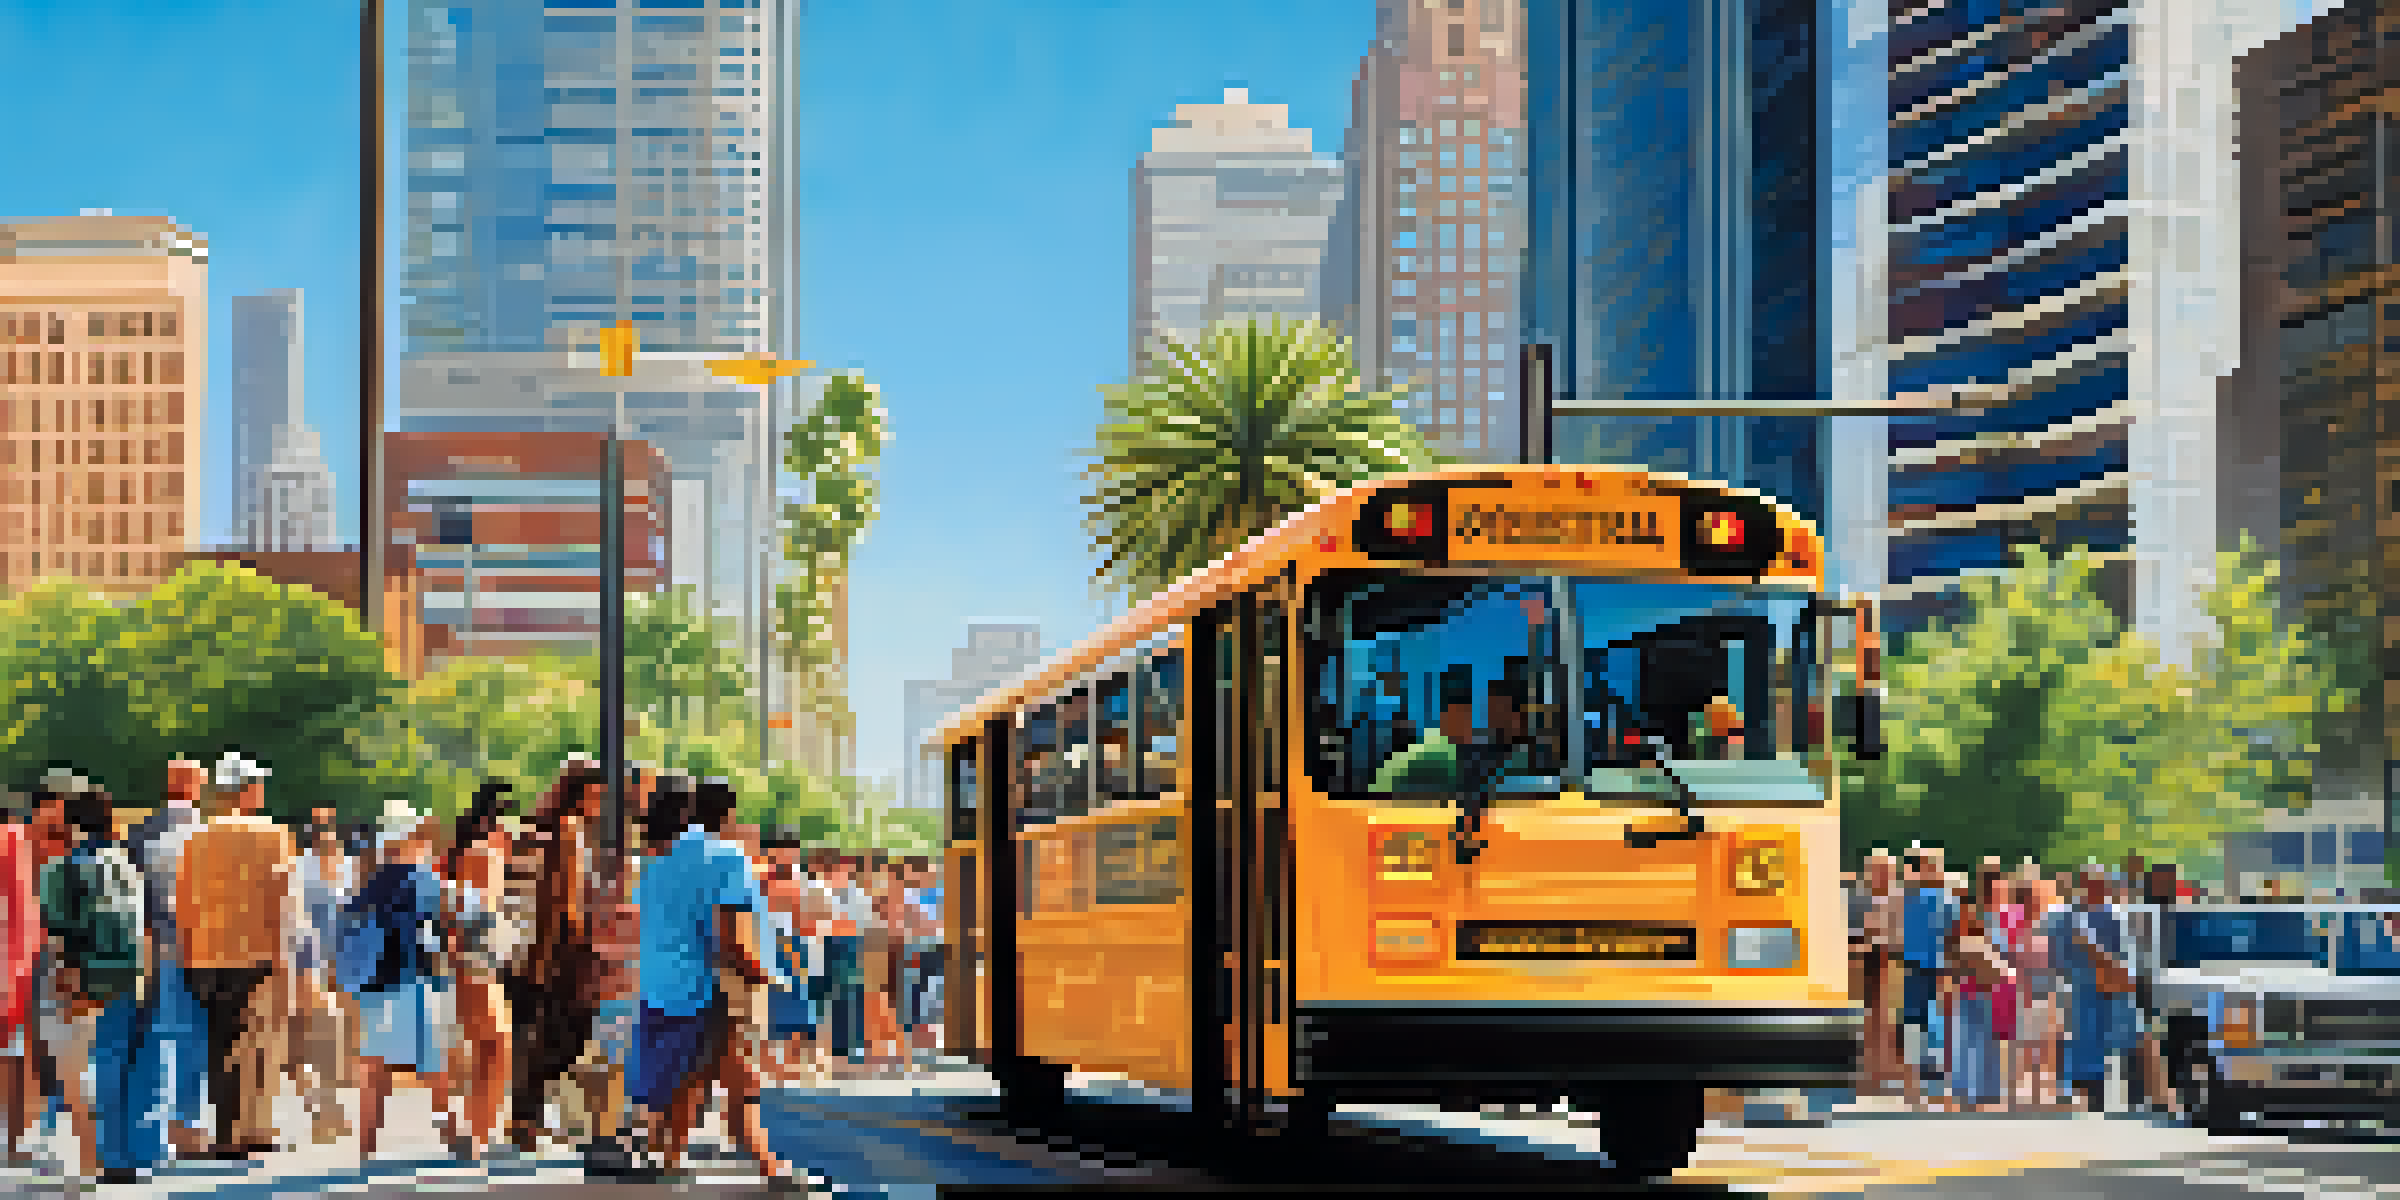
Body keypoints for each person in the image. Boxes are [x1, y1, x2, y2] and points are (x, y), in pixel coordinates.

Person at [635, 779, 793, 1184]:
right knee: (741, 1077)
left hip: (660, 985)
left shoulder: (658, 860)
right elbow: (731, 937)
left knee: (690, 1073)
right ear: (728, 815)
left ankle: (668, 1156)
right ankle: (769, 1165)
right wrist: (768, 976)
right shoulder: (727, 858)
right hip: (717, 986)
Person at [36, 772, 158, 1182]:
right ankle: (129, 1156)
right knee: (128, 1065)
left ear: (71, 822)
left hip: (88, 976)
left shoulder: (62, 868)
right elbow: (141, 923)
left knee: (95, 1068)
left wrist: (68, 982)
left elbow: (58, 931)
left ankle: (104, 1158)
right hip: (132, 971)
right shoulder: (125, 863)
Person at [176, 752, 298, 1159]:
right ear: (246, 790)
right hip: (258, 952)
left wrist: (185, 954)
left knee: (220, 1044)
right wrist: (285, 951)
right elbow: (282, 896)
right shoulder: (272, 834)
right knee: (260, 1043)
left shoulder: (195, 835)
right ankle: (252, 1130)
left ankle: (229, 1131)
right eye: (257, 784)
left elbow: (184, 902)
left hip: (204, 954)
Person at [504, 757, 606, 1154]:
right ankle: (527, 1124)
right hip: (556, 954)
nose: (605, 799)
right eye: (600, 791)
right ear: (583, 792)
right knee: (566, 1038)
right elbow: (567, 902)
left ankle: (524, 1124)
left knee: (537, 1039)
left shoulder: (536, 831)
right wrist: (582, 947)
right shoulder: (570, 831)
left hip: (524, 955)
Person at [350, 809, 449, 1161]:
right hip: (414, 980)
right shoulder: (424, 880)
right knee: (433, 1061)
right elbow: (443, 928)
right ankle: (451, 1132)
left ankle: (366, 1147)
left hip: (372, 985)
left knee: (373, 1067)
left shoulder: (368, 881)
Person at [126, 760, 213, 1159]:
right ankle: (187, 1126)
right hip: (201, 944)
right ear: (199, 787)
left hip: (156, 941)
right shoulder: (210, 833)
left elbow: (133, 891)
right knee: (194, 1034)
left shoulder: (141, 832)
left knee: (158, 1033)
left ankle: (157, 1129)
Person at [441, 782, 516, 1160]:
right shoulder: (485, 852)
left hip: (470, 954)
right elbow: (477, 908)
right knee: (495, 1045)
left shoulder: (465, 851)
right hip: (476, 953)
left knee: (483, 1046)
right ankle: (480, 1135)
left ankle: (476, 1132)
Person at [285, 806, 356, 1146]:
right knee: (312, 1035)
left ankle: (324, 1110)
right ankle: (321, 1110)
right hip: (307, 960)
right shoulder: (302, 872)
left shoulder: (347, 872)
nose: (332, 849)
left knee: (328, 1034)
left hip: (335, 961)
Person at [0, 781, 53, 1165]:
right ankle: (18, 1140)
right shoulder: (24, 838)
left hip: (17, 955)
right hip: (27, 957)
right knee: (22, 1053)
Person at [2060, 864, 2135, 1112]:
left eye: (2099, 883)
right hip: (2082, 985)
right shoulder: (2072, 914)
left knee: (2109, 1040)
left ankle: (2107, 1094)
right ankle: (2086, 1093)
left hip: (2107, 987)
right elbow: (2061, 953)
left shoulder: (2115, 916)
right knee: (2084, 1038)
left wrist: (2108, 967)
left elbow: (2125, 955)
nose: (2095, 888)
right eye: (2090, 882)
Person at [1898, 844, 1957, 1111]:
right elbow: (1954, 938)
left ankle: (1916, 1086)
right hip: (1932, 968)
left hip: (1919, 968)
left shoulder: (1907, 897)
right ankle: (1929, 1086)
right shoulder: (1944, 899)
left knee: (1919, 1025)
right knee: (1930, 1025)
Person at [1855, 851, 1903, 1095]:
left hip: (1891, 963)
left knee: (1889, 1021)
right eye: (1875, 870)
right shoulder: (1859, 899)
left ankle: (1888, 1072)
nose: (1879, 875)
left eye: (1884, 870)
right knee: (1869, 1021)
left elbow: (1902, 936)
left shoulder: (1899, 900)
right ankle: (1870, 1074)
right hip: (1866, 964)